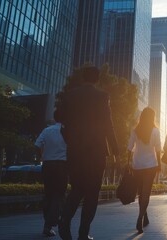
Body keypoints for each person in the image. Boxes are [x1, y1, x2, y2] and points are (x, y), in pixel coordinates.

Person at [58, 66, 120, 240]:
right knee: (92, 192)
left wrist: (71, 135)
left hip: (75, 150)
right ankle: (83, 233)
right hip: (96, 151)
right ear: (97, 79)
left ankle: (64, 220)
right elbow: (108, 124)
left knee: (77, 188)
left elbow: (60, 118)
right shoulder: (102, 96)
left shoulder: (70, 95)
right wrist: (115, 151)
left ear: (83, 77)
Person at [127, 107, 161, 234]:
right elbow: (158, 148)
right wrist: (159, 164)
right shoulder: (155, 131)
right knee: (145, 193)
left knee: (141, 193)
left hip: (137, 165)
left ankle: (144, 217)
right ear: (152, 117)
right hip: (151, 165)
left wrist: (128, 162)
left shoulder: (135, 130)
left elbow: (129, 147)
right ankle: (140, 218)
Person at [34, 110, 68, 237]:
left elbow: (37, 145)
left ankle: (48, 224)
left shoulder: (47, 130)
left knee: (48, 193)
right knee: (59, 195)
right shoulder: (68, 132)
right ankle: (50, 223)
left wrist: (40, 158)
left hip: (47, 165)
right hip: (62, 166)